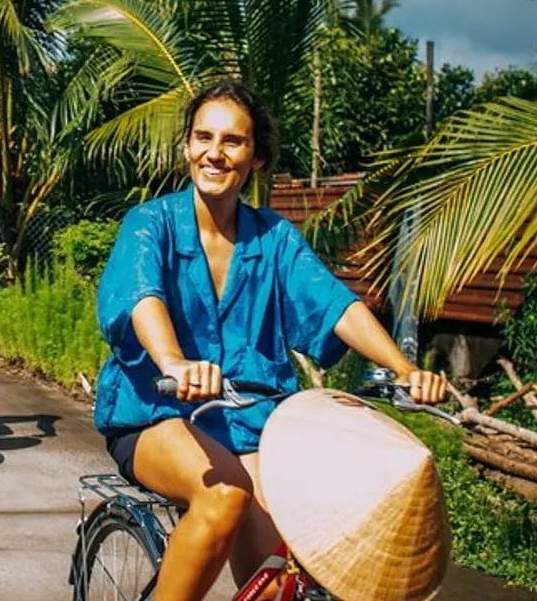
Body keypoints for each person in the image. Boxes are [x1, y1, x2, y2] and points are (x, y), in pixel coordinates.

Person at [93, 79, 448, 601]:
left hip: (250, 422)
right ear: (188, 146)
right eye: (202, 137)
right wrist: (173, 363)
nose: (214, 153)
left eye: (232, 141)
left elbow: (335, 305)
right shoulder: (151, 224)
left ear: (255, 157)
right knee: (224, 497)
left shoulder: (275, 239)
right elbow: (143, 297)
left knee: (281, 578)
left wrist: (405, 368)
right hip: (155, 413)